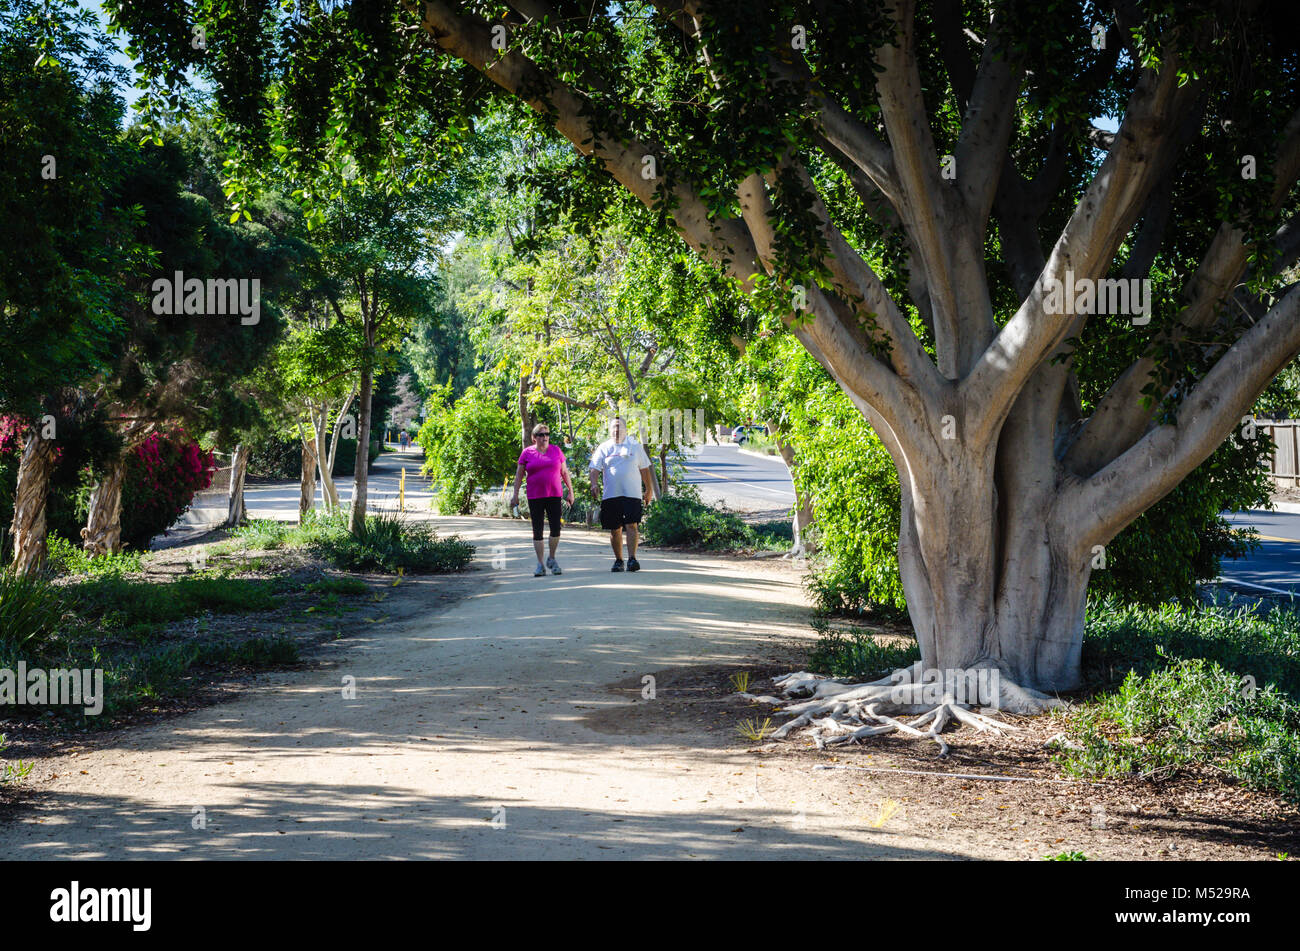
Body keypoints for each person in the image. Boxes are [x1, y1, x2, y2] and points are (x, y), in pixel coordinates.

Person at [589, 416, 654, 572]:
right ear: (610, 430)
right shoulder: (604, 448)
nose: (616, 430)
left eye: (619, 427)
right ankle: (619, 560)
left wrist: (648, 490)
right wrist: (594, 484)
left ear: (626, 430)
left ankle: (632, 559)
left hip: (632, 494)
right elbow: (594, 468)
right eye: (614, 427)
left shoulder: (635, 447)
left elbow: (645, 469)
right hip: (611, 494)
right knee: (615, 528)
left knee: (632, 525)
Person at [511, 423, 574, 576]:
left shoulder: (556, 451)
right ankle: (540, 564)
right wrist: (515, 495)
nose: (544, 437)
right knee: (537, 530)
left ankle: (551, 558)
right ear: (534, 438)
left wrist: (571, 492)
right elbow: (519, 476)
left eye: (546, 434)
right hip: (535, 496)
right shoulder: (527, 453)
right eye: (541, 434)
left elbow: (565, 472)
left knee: (555, 529)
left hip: (554, 494)